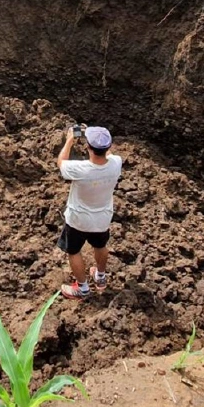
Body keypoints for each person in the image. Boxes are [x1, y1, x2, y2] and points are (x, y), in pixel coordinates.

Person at [56, 125, 123, 299]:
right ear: (108, 147)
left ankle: (82, 288)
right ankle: (100, 277)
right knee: (100, 246)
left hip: (78, 220)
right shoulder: (116, 163)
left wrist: (69, 140)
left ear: (88, 147)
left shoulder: (80, 169)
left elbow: (61, 163)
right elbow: (108, 156)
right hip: (102, 219)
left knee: (73, 251)